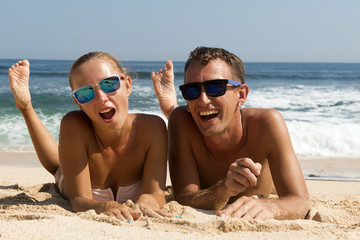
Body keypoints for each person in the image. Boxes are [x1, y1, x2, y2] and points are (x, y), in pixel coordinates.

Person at [151, 46, 310, 220]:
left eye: (216, 88)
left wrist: (269, 205)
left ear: (241, 95)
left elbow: (300, 202)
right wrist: (224, 189)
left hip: (262, 181)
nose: (203, 99)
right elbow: (184, 197)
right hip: (189, 123)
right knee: (180, 115)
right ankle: (172, 107)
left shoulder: (266, 124)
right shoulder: (181, 121)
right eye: (192, 90)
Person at [8, 52, 169, 221]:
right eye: (86, 93)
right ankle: (25, 107)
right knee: (58, 169)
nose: (101, 97)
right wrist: (105, 206)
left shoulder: (152, 128)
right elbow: (78, 202)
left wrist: (149, 199)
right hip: (68, 178)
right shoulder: (74, 125)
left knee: (59, 163)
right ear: (78, 102)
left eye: (109, 84)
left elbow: (157, 195)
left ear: (127, 85)